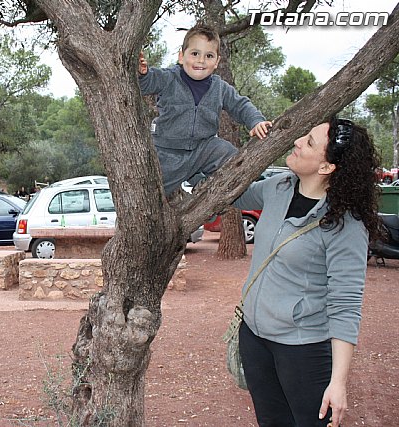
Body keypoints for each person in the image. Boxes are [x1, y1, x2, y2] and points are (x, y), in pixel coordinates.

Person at [232, 117, 381, 427]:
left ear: (326, 167)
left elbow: (346, 305)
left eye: (310, 142)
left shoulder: (345, 225)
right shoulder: (279, 187)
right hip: (254, 338)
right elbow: (234, 193)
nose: (297, 141)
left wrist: (338, 382)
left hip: (303, 350)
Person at [138, 24, 271, 195]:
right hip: (167, 152)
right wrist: (142, 74)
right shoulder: (168, 78)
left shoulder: (220, 88)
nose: (201, 60)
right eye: (195, 53)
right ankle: (193, 179)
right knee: (152, 192)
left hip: (203, 149)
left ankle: (206, 186)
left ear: (216, 62)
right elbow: (147, 83)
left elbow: (241, 105)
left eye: (209, 56)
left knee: (228, 152)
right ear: (181, 56)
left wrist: (256, 122)